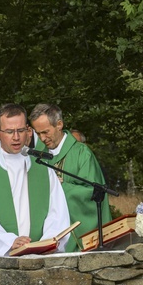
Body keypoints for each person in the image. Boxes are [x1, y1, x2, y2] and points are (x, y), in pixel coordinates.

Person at [0, 103, 71, 258]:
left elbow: (57, 211)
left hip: (39, 257)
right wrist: (9, 241)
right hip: (1, 257)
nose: (16, 137)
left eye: (20, 130)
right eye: (9, 131)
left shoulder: (41, 165)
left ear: (28, 130)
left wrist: (45, 243)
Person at [29, 103, 112, 252]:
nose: (42, 138)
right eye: (38, 133)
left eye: (46, 132)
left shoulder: (81, 153)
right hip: (46, 233)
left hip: (75, 233)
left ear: (59, 124)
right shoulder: (38, 155)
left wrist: (60, 188)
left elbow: (93, 192)